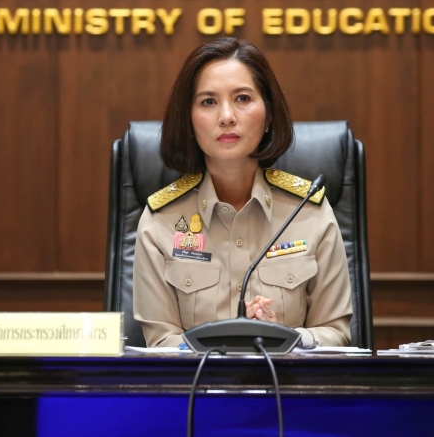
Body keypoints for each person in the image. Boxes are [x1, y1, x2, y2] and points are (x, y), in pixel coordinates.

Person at [133, 37, 352, 348]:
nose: (226, 116)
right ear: (189, 120)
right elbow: (161, 343)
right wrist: (225, 344)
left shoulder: (309, 212)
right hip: (197, 381)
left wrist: (286, 340)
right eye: (208, 102)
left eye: (243, 98)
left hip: (286, 379)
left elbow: (336, 333)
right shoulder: (161, 222)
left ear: (269, 115)